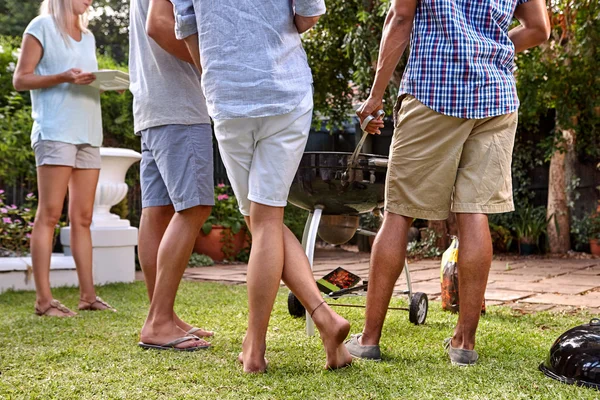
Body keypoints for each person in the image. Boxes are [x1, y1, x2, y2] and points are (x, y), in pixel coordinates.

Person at [346, 0, 551, 365]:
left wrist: (375, 96)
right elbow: (539, 28)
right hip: (495, 95)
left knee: (398, 214)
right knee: (475, 213)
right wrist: (488, 50)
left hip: (433, 90)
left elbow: (400, 16)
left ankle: (369, 338)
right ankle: (464, 344)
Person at [170, 0, 353, 372]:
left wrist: (217, 76)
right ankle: (324, 319)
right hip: (284, 91)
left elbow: (187, 26)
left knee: (260, 219)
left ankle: (255, 349)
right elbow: (309, 14)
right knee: (265, 218)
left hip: (229, 97)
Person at [13, 0, 116, 317]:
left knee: (83, 218)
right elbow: (21, 79)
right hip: (56, 131)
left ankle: (88, 296)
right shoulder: (40, 27)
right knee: (49, 214)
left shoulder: (88, 36)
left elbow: (85, 79)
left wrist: (106, 84)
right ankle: (44, 301)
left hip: (89, 132)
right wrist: (63, 77)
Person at [129, 0, 215, 351]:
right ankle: (160, 320)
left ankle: (160, 315)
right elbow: (160, 24)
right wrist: (210, 67)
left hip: (153, 104)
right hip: (180, 104)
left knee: (158, 211)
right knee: (194, 208)